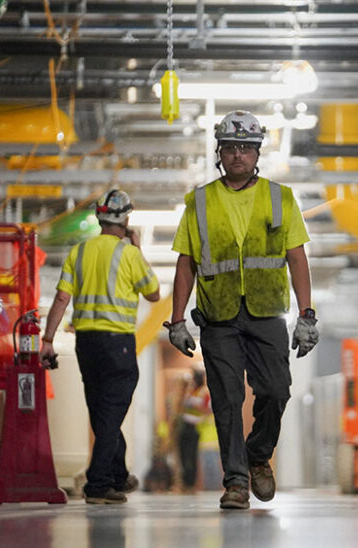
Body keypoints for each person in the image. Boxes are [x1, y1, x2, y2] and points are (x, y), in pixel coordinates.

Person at [163, 110, 319, 510]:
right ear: (220, 152)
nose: (238, 156)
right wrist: (178, 319)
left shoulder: (279, 197)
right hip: (219, 317)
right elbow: (186, 263)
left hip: (267, 314)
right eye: (230, 148)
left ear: (256, 154)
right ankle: (235, 481)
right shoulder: (199, 202)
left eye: (246, 149)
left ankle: (258, 454)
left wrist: (306, 314)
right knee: (227, 398)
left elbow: (297, 257)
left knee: (276, 391)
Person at [40, 189, 160, 504]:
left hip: (87, 345)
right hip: (117, 344)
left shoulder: (78, 253)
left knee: (102, 411)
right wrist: (138, 249)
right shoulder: (129, 254)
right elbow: (154, 293)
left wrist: (48, 340)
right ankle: (98, 484)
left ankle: (118, 476)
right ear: (126, 220)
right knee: (110, 412)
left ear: (99, 216)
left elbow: (62, 298)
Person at [176, 367, 211, 492]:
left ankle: (191, 484)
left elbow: (208, 410)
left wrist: (196, 406)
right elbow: (181, 406)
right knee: (183, 454)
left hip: (195, 427)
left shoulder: (204, 392)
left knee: (191, 456)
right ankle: (184, 483)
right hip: (184, 425)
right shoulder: (189, 391)